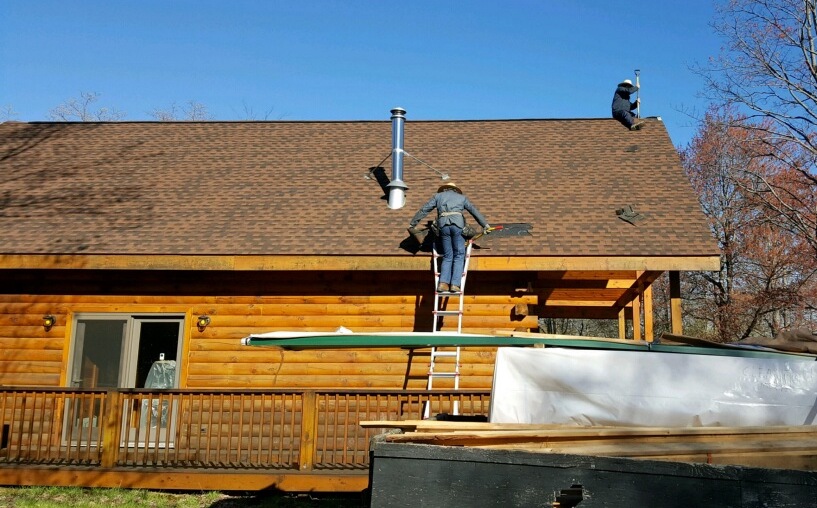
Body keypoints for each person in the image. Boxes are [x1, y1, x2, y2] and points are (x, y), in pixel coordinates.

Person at [408, 182, 490, 294]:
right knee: (459, 254)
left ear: (445, 189)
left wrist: (413, 223)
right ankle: (455, 285)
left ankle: (443, 283)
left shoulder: (438, 196)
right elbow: (474, 211)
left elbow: (424, 209)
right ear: (455, 190)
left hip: (443, 227)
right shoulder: (461, 198)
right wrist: (485, 225)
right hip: (457, 226)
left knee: (447, 255)